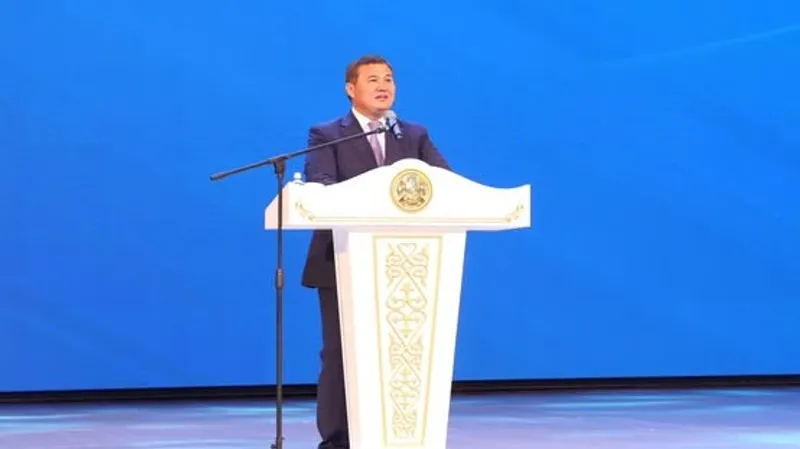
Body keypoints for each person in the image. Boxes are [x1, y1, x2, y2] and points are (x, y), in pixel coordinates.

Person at [301, 54, 451, 449]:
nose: (384, 86)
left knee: (398, 356)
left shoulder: (414, 135)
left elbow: (446, 184)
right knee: (341, 354)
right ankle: (337, 441)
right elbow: (321, 185)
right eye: (373, 80)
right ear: (351, 89)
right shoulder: (327, 134)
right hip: (343, 260)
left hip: (406, 266)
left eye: (389, 79)